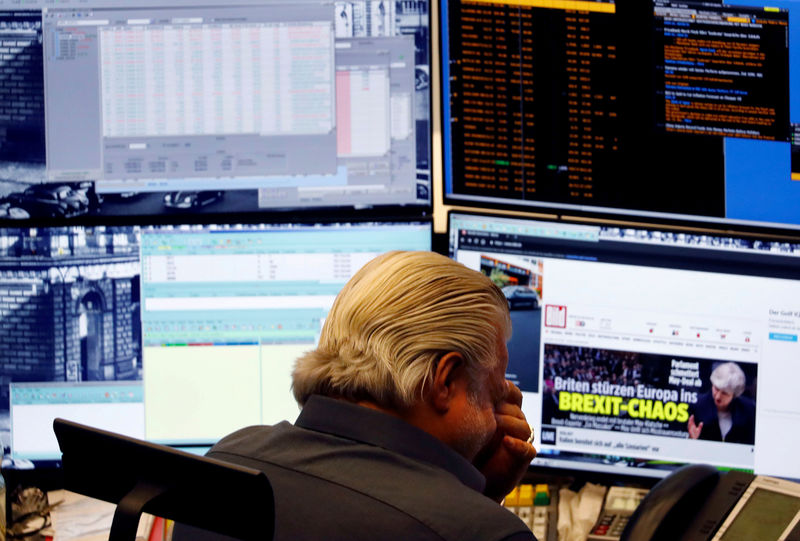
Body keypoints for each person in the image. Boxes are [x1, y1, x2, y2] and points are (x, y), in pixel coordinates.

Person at [190, 251, 538, 541]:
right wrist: (483, 508)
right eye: (495, 388)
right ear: (444, 383)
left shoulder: (222, 467)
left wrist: (470, 492)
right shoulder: (486, 534)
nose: (501, 410)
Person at [687, 362, 756, 444]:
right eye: (716, 388)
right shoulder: (697, 406)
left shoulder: (748, 410)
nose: (718, 396)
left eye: (724, 393)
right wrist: (692, 439)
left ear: (734, 394)